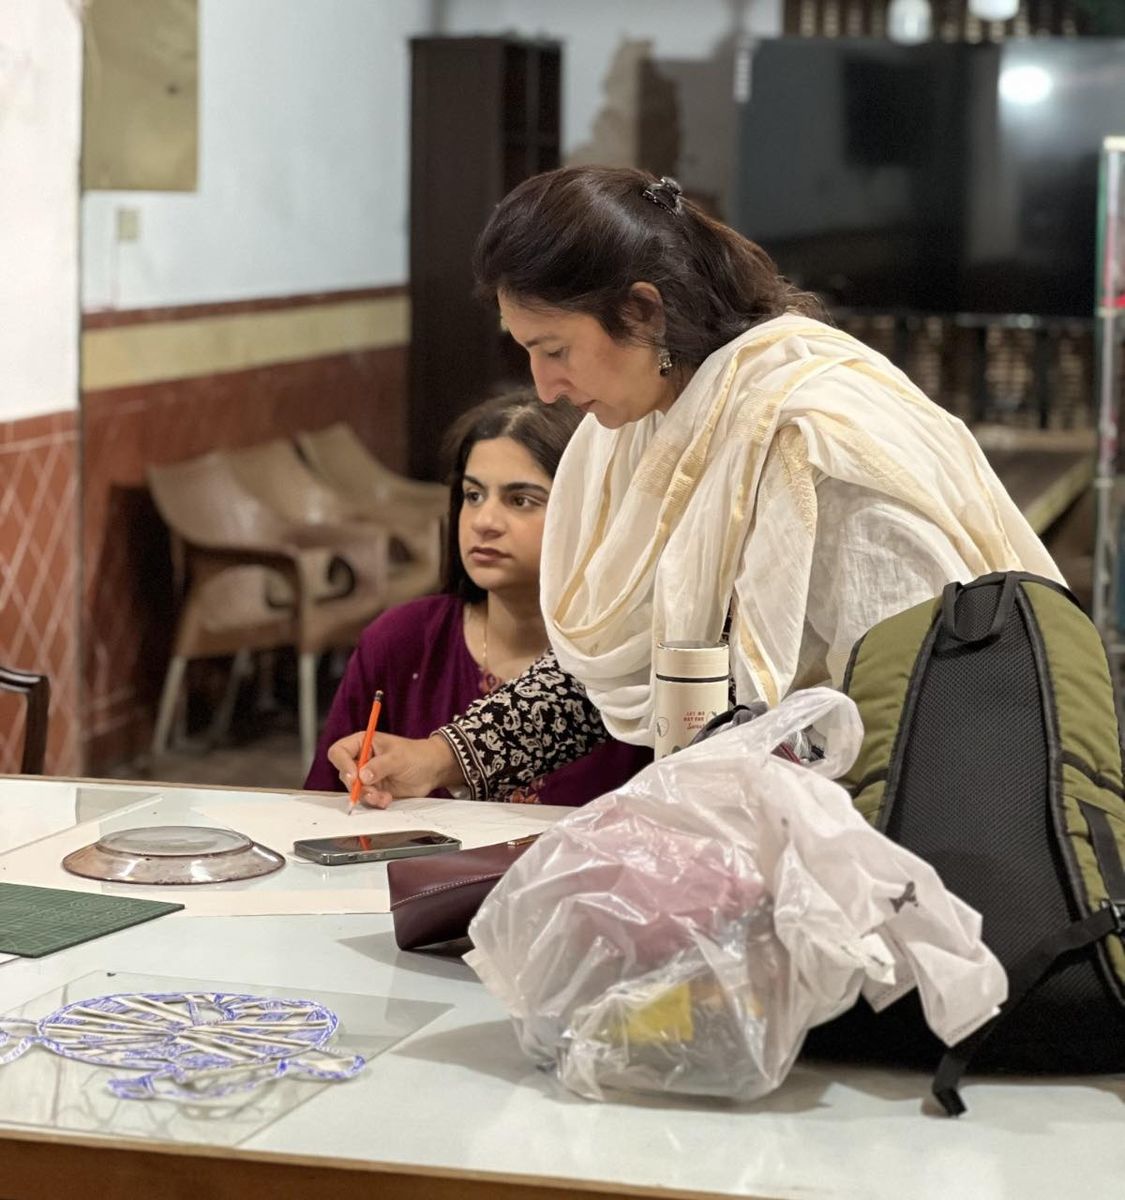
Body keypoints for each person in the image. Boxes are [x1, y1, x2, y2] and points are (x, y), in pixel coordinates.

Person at [341, 165, 1062, 808]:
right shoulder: (642, 426)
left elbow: (925, 700)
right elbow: (636, 661)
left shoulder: (814, 435)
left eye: (554, 349)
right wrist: (442, 758)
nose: (545, 386)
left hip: (900, 827)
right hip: (758, 826)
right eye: (527, 351)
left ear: (643, 311)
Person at [306, 389, 649, 804]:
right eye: (473, 496)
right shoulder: (402, 640)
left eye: (520, 500)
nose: (484, 521)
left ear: (592, 509)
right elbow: (323, 808)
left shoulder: (629, 660)